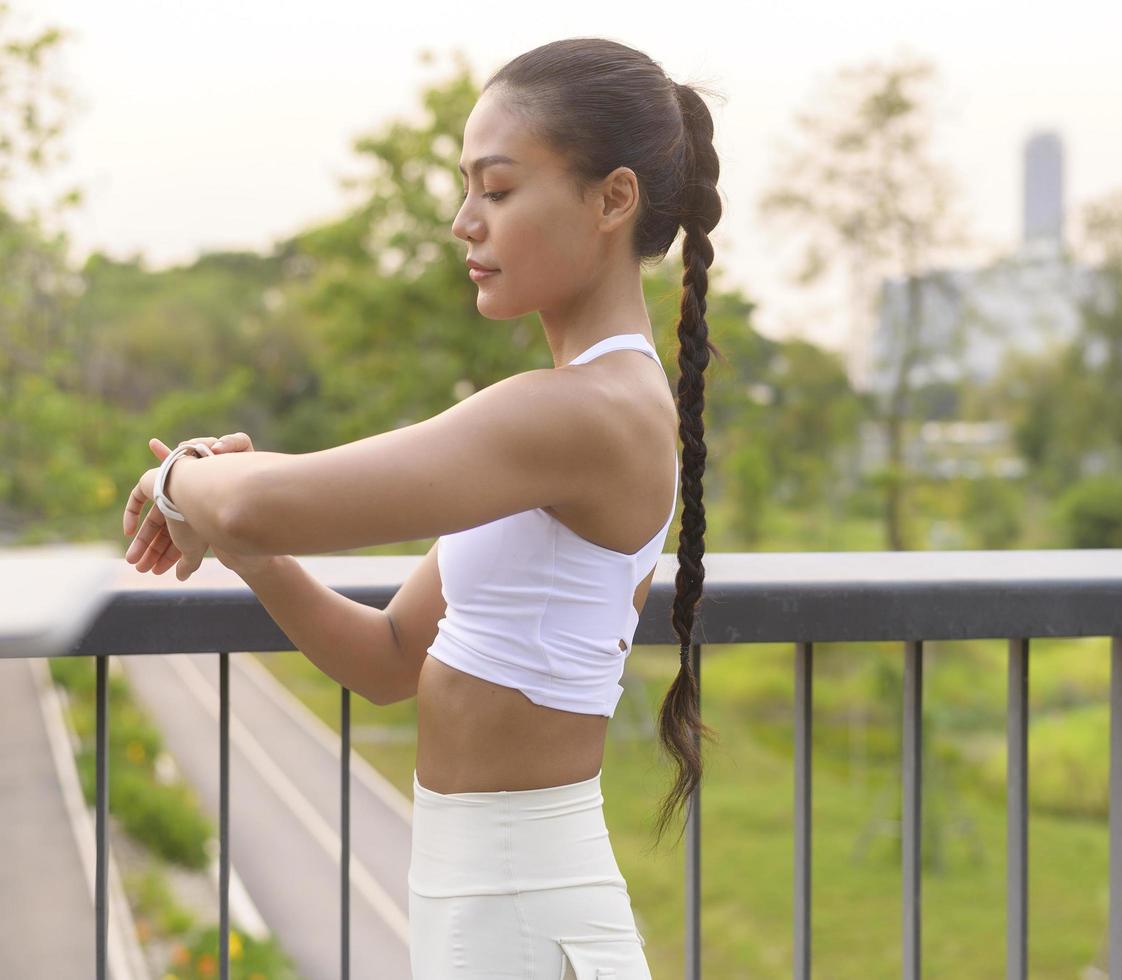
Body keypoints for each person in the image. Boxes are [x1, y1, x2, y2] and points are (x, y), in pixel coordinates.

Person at [120, 36, 723, 978]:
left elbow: (257, 504)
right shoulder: (571, 413)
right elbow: (392, 658)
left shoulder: (578, 413)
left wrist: (182, 478)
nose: (461, 222)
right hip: (483, 901)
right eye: (466, 188)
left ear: (612, 200)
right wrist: (236, 539)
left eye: (497, 188)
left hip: (522, 906)